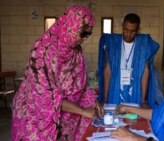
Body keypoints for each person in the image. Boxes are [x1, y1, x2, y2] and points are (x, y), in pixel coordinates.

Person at [11, 6, 104, 141]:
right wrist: (83, 111)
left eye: (88, 35)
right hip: (38, 117)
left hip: (68, 116)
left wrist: (93, 102)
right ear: (72, 26)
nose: (85, 39)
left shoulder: (76, 51)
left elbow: (82, 85)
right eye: (83, 34)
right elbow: (46, 97)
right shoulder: (42, 51)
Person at [98, 13, 160, 108]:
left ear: (138, 30)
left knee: (134, 118)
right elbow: (107, 70)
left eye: (132, 31)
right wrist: (105, 98)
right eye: (126, 30)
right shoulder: (111, 43)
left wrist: (143, 100)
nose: (128, 34)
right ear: (122, 26)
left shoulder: (144, 44)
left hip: (135, 91)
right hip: (115, 90)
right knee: (114, 118)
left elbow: (145, 71)